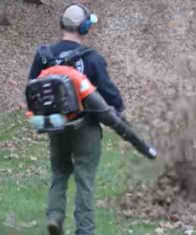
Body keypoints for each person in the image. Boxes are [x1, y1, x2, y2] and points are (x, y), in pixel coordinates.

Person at [28, 3, 124, 235]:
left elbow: (32, 87)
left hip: (56, 126)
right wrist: (118, 111)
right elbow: (110, 95)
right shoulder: (91, 59)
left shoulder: (44, 55)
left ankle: (54, 217)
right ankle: (84, 230)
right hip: (86, 129)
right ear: (84, 27)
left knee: (59, 173)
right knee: (85, 180)